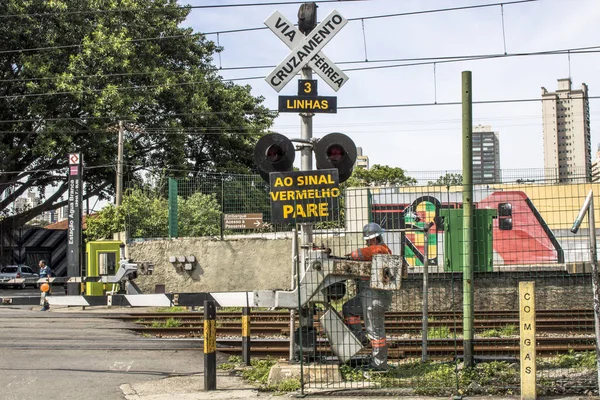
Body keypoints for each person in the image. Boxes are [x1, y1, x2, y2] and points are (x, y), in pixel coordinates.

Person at [342, 222, 393, 371]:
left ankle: (379, 364)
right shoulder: (379, 250)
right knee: (349, 308)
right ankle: (360, 338)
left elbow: (357, 254)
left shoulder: (380, 249)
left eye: (367, 240)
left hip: (375, 297)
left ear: (372, 239)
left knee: (376, 332)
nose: (366, 242)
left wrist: (351, 255)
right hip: (368, 295)